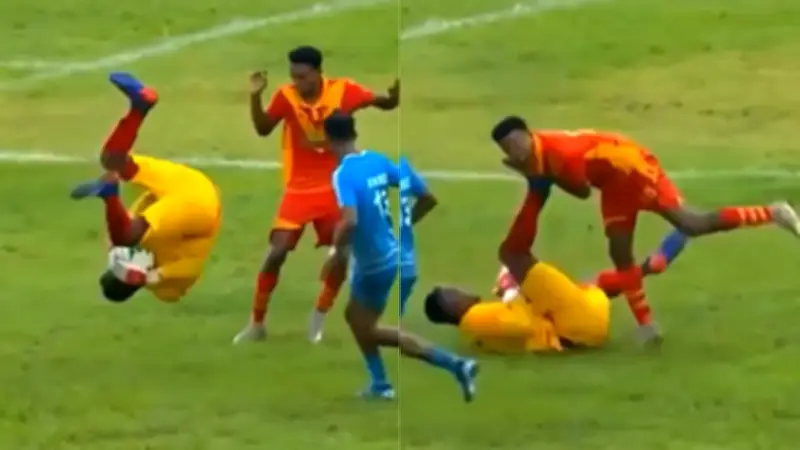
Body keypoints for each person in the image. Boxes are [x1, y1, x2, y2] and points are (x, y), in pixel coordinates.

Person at [490, 118, 800, 344]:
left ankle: (773, 213)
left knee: (690, 223)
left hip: (630, 168)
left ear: (529, 134)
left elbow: (581, 191)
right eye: (508, 149)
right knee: (619, 251)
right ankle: (647, 326)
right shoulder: (537, 156)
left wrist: (537, 177)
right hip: (613, 182)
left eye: (517, 143)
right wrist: (536, 174)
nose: (516, 151)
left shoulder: (559, 154)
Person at [236, 46, 400, 344]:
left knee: (341, 255)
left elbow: (384, 103)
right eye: (294, 77)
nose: (298, 83)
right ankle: (256, 324)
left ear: (318, 73)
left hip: (335, 186)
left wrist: (394, 96)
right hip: (298, 188)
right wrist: (256, 97)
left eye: (303, 77)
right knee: (276, 252)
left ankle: (318, 317)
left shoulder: (343, 91)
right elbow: (263, 129)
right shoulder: (286, 96)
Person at [322, 111, 478, 402]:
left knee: (368, 329)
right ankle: (380, 384)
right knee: (356, 319)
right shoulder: (377, 161)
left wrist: (334, 252)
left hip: (373, 265)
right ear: (355, 132)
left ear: (328, 139)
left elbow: (350, 221)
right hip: (391, 256)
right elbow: (426, 197)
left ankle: (454, 364)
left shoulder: (343, 174)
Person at [70, 73, 221, 303]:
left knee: (112, 159)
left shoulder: (134, 244)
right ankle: (109, 194)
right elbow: (191, 269)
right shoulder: (165, 290)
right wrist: (153, 277)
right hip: (200, 207)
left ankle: (140, 106)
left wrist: (116, 243)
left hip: (183, 184)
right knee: (126, 237)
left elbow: (131, 223)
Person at [424, 262, 611, 353]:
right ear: (451, 307)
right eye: (454, 293)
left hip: (574, 330)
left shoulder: (474, 325)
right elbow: (523, 325)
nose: (462, 291)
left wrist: (512, 292)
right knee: (528, 268)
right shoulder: (475, 317)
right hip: (573, 330)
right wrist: (513, 289)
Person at [398, 157, 438, 316]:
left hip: (378, 265)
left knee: (369, 324)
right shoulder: (400, 163)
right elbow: (428, 199)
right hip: (406, 265)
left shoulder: (355, 169)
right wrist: (404, 225)